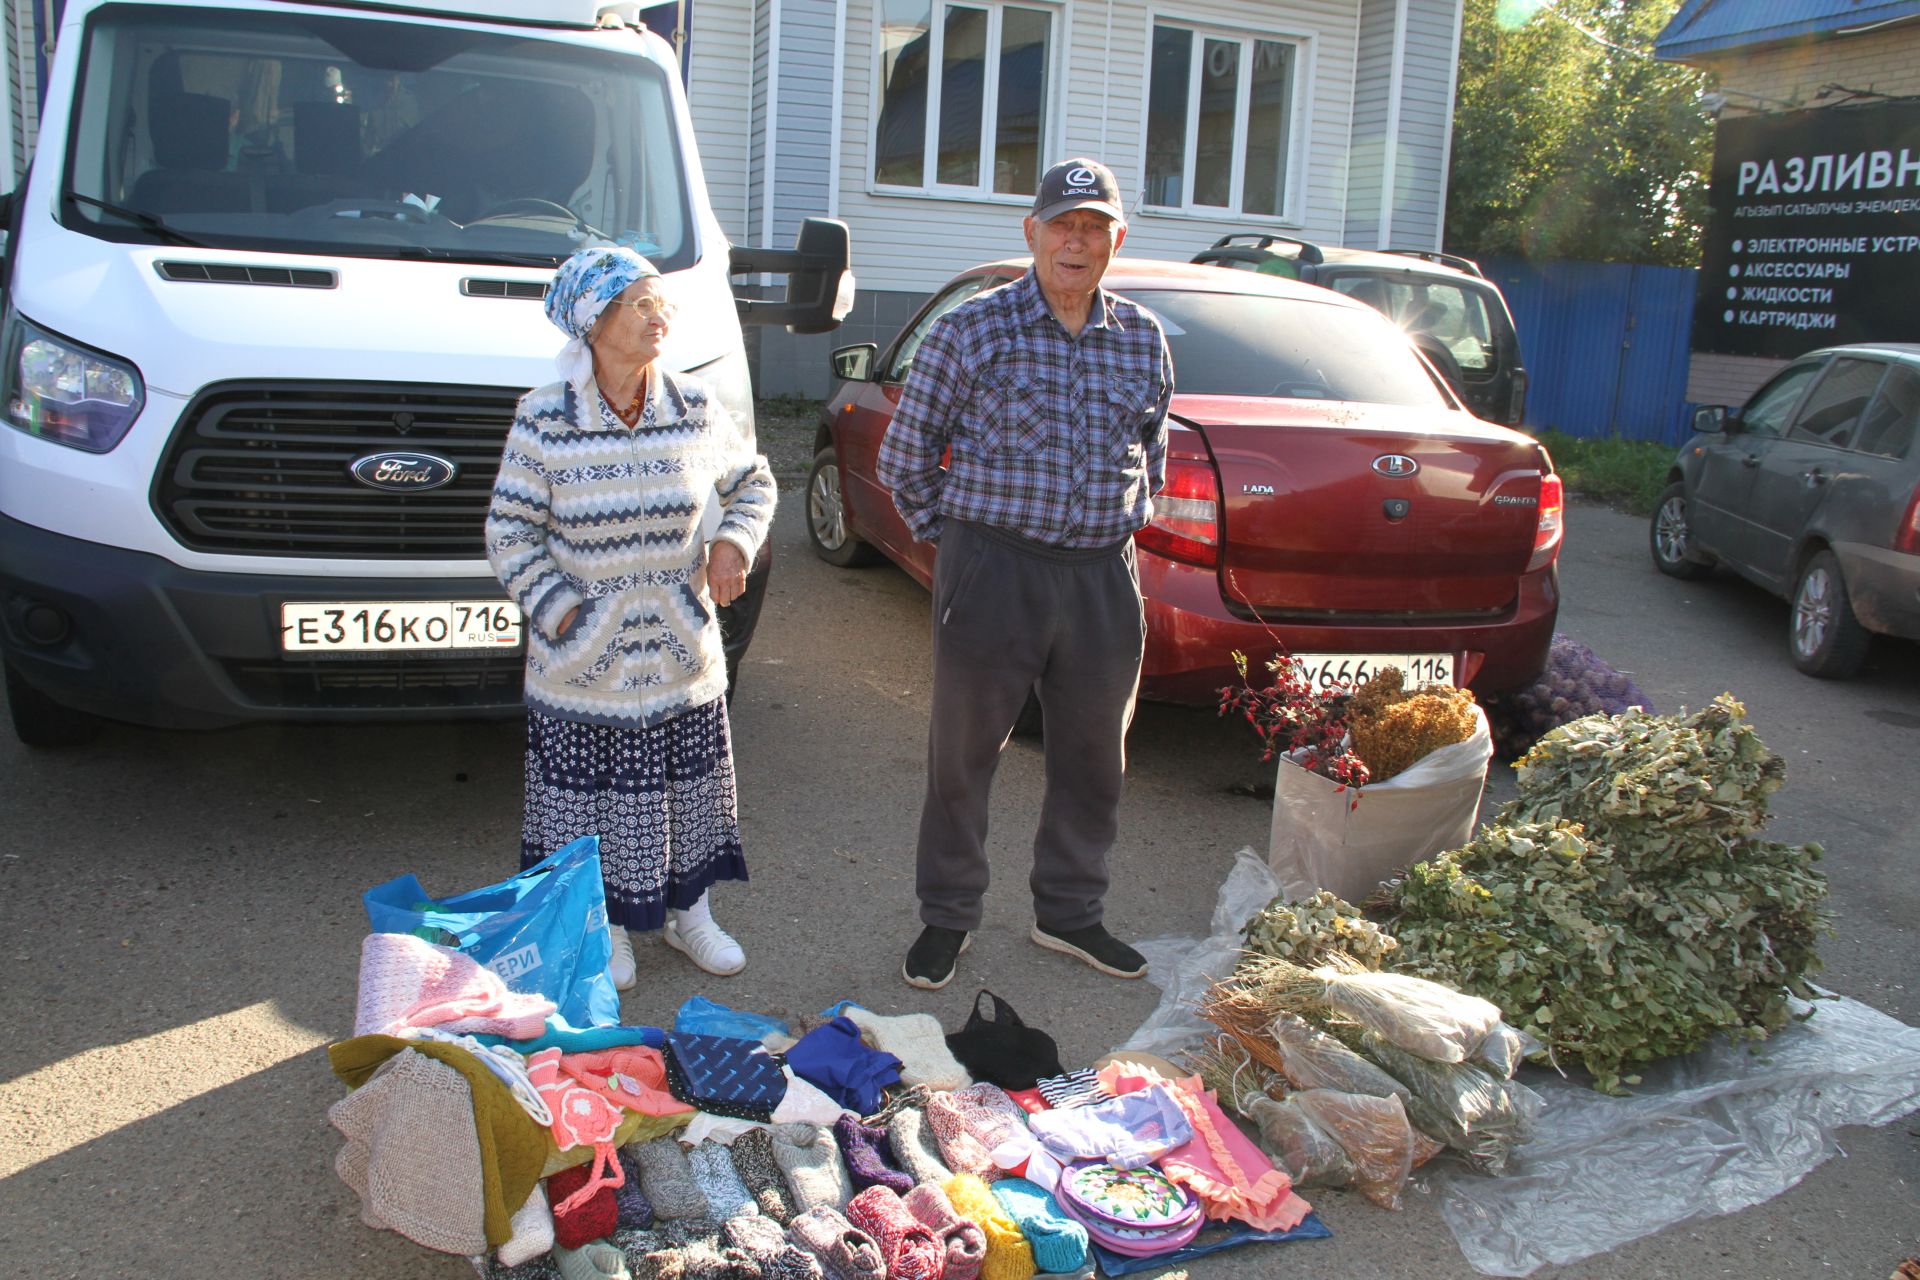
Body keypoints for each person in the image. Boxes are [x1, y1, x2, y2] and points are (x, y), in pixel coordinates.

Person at [876, 158, 1174, 991]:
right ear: (1031, 233)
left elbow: (1154, 450)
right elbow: (905, 459)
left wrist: (1120, 523)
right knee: (963, 754)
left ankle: (1070, 914)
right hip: (995, 569)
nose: (1076, 242)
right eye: (1061, 225)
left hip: (1102, 577)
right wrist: (961, 551)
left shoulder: (1142, 337)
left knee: (1094, 756)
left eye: (1094, 227)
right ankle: (948, 916)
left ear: (1118, 239)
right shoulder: (971, 329)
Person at [485, 245, 775, 988]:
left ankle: (693, 916)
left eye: (659, 301)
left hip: (681, 656)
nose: (659, 315)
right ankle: (606, 927)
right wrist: (563, 616)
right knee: (593, 805)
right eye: (639, 303)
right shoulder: (545, 418)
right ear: (594, 320)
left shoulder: (693, 406)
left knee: (687, 791)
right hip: (584, 669)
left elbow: (753, 484)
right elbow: (509, 531)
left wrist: (731, 545)